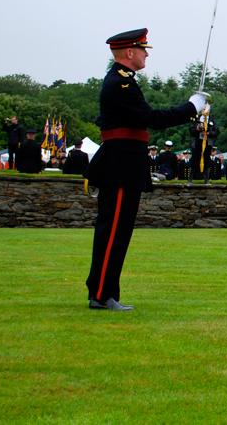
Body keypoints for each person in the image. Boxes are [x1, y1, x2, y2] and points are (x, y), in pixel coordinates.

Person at [84, 28, 208, 311]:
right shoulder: (121, 83)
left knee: (118, 231)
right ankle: (102, 294)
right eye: (142, 49)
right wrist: (190, 107)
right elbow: (151, 118)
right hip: (120, 164)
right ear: (129, 52)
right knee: (113, 230)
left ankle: (104, 291)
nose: (146, 54)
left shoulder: (124, 82)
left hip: (124, 162)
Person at [189, 114, 218, 184]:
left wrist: (208, 133)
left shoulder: (212, 119)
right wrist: (197, 129)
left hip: (207, 144)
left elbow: (216, 132)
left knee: (207, 161)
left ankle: (206, 180)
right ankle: (190, 179)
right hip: (197, 143)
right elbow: (191, 130)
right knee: (194, 160)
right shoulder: (196, 118)